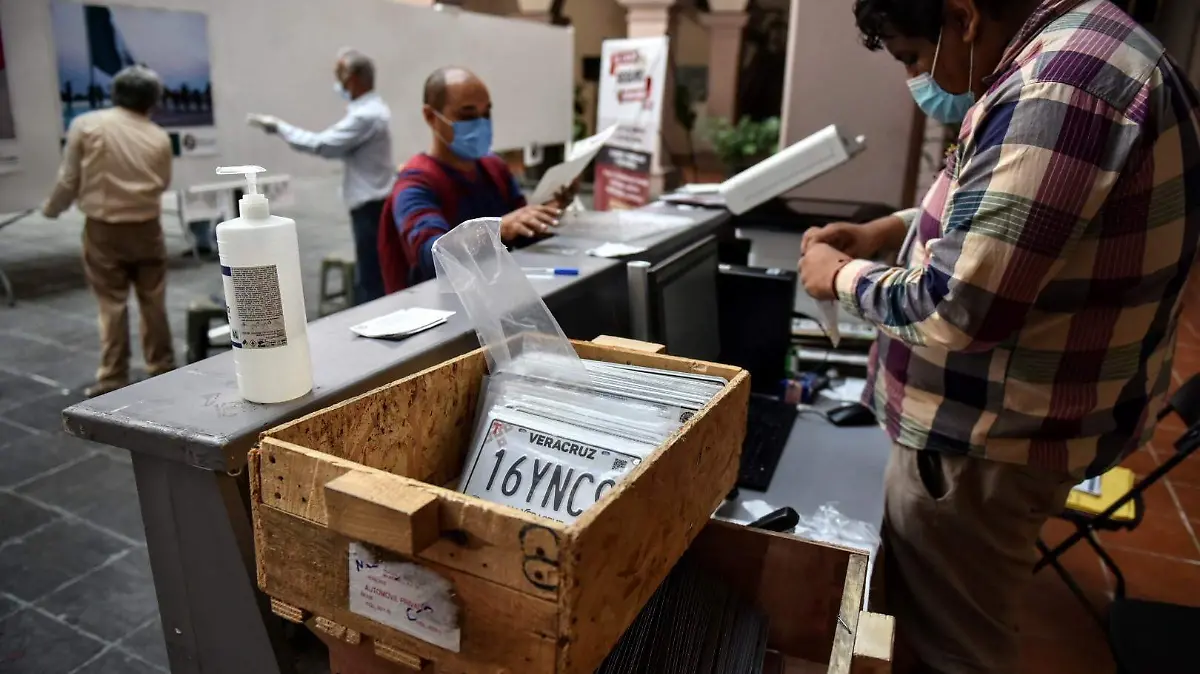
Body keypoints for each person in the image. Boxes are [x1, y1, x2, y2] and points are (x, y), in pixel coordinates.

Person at [799, 0, 1200, 671]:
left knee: (948, 648)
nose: (917, 79)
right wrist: (885, 234)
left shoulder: (1062, 89)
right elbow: (1006, 213)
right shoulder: (1083, 46)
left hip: (984, 438)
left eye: (911, 57)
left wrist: (839, 276)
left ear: (962, 18)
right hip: (1021, 422)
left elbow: (953, 308)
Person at [43, 65, 177, 398]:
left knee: (111, 303)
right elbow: (162, 182)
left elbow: (69, 180)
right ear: (152, 100)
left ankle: (113, 375)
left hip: (104, 229)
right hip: (148, 226)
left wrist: (52, 208)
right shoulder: (158, 135)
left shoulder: (87, 125)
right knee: (154, 300)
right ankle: (162, 366)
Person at [379, 67, 570, 292]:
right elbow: (432, 257)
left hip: (502, 294)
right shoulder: (416, 183)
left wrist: (548, 211)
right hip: (449, 308)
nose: (481, 124)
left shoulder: (494, 168)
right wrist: (495, 231)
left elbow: (520, 232)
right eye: (467, 116)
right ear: (431, 117)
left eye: (486, 114)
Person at [248, 49, 393, 304]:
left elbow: (321, 145)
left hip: (371, 207)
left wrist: (279, 127)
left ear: (354, 78)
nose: (338, 84)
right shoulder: (370, 110)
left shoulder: (365, 116)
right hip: (374, 204)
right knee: (372, 273)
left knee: (371, 280)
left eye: (341, 76)